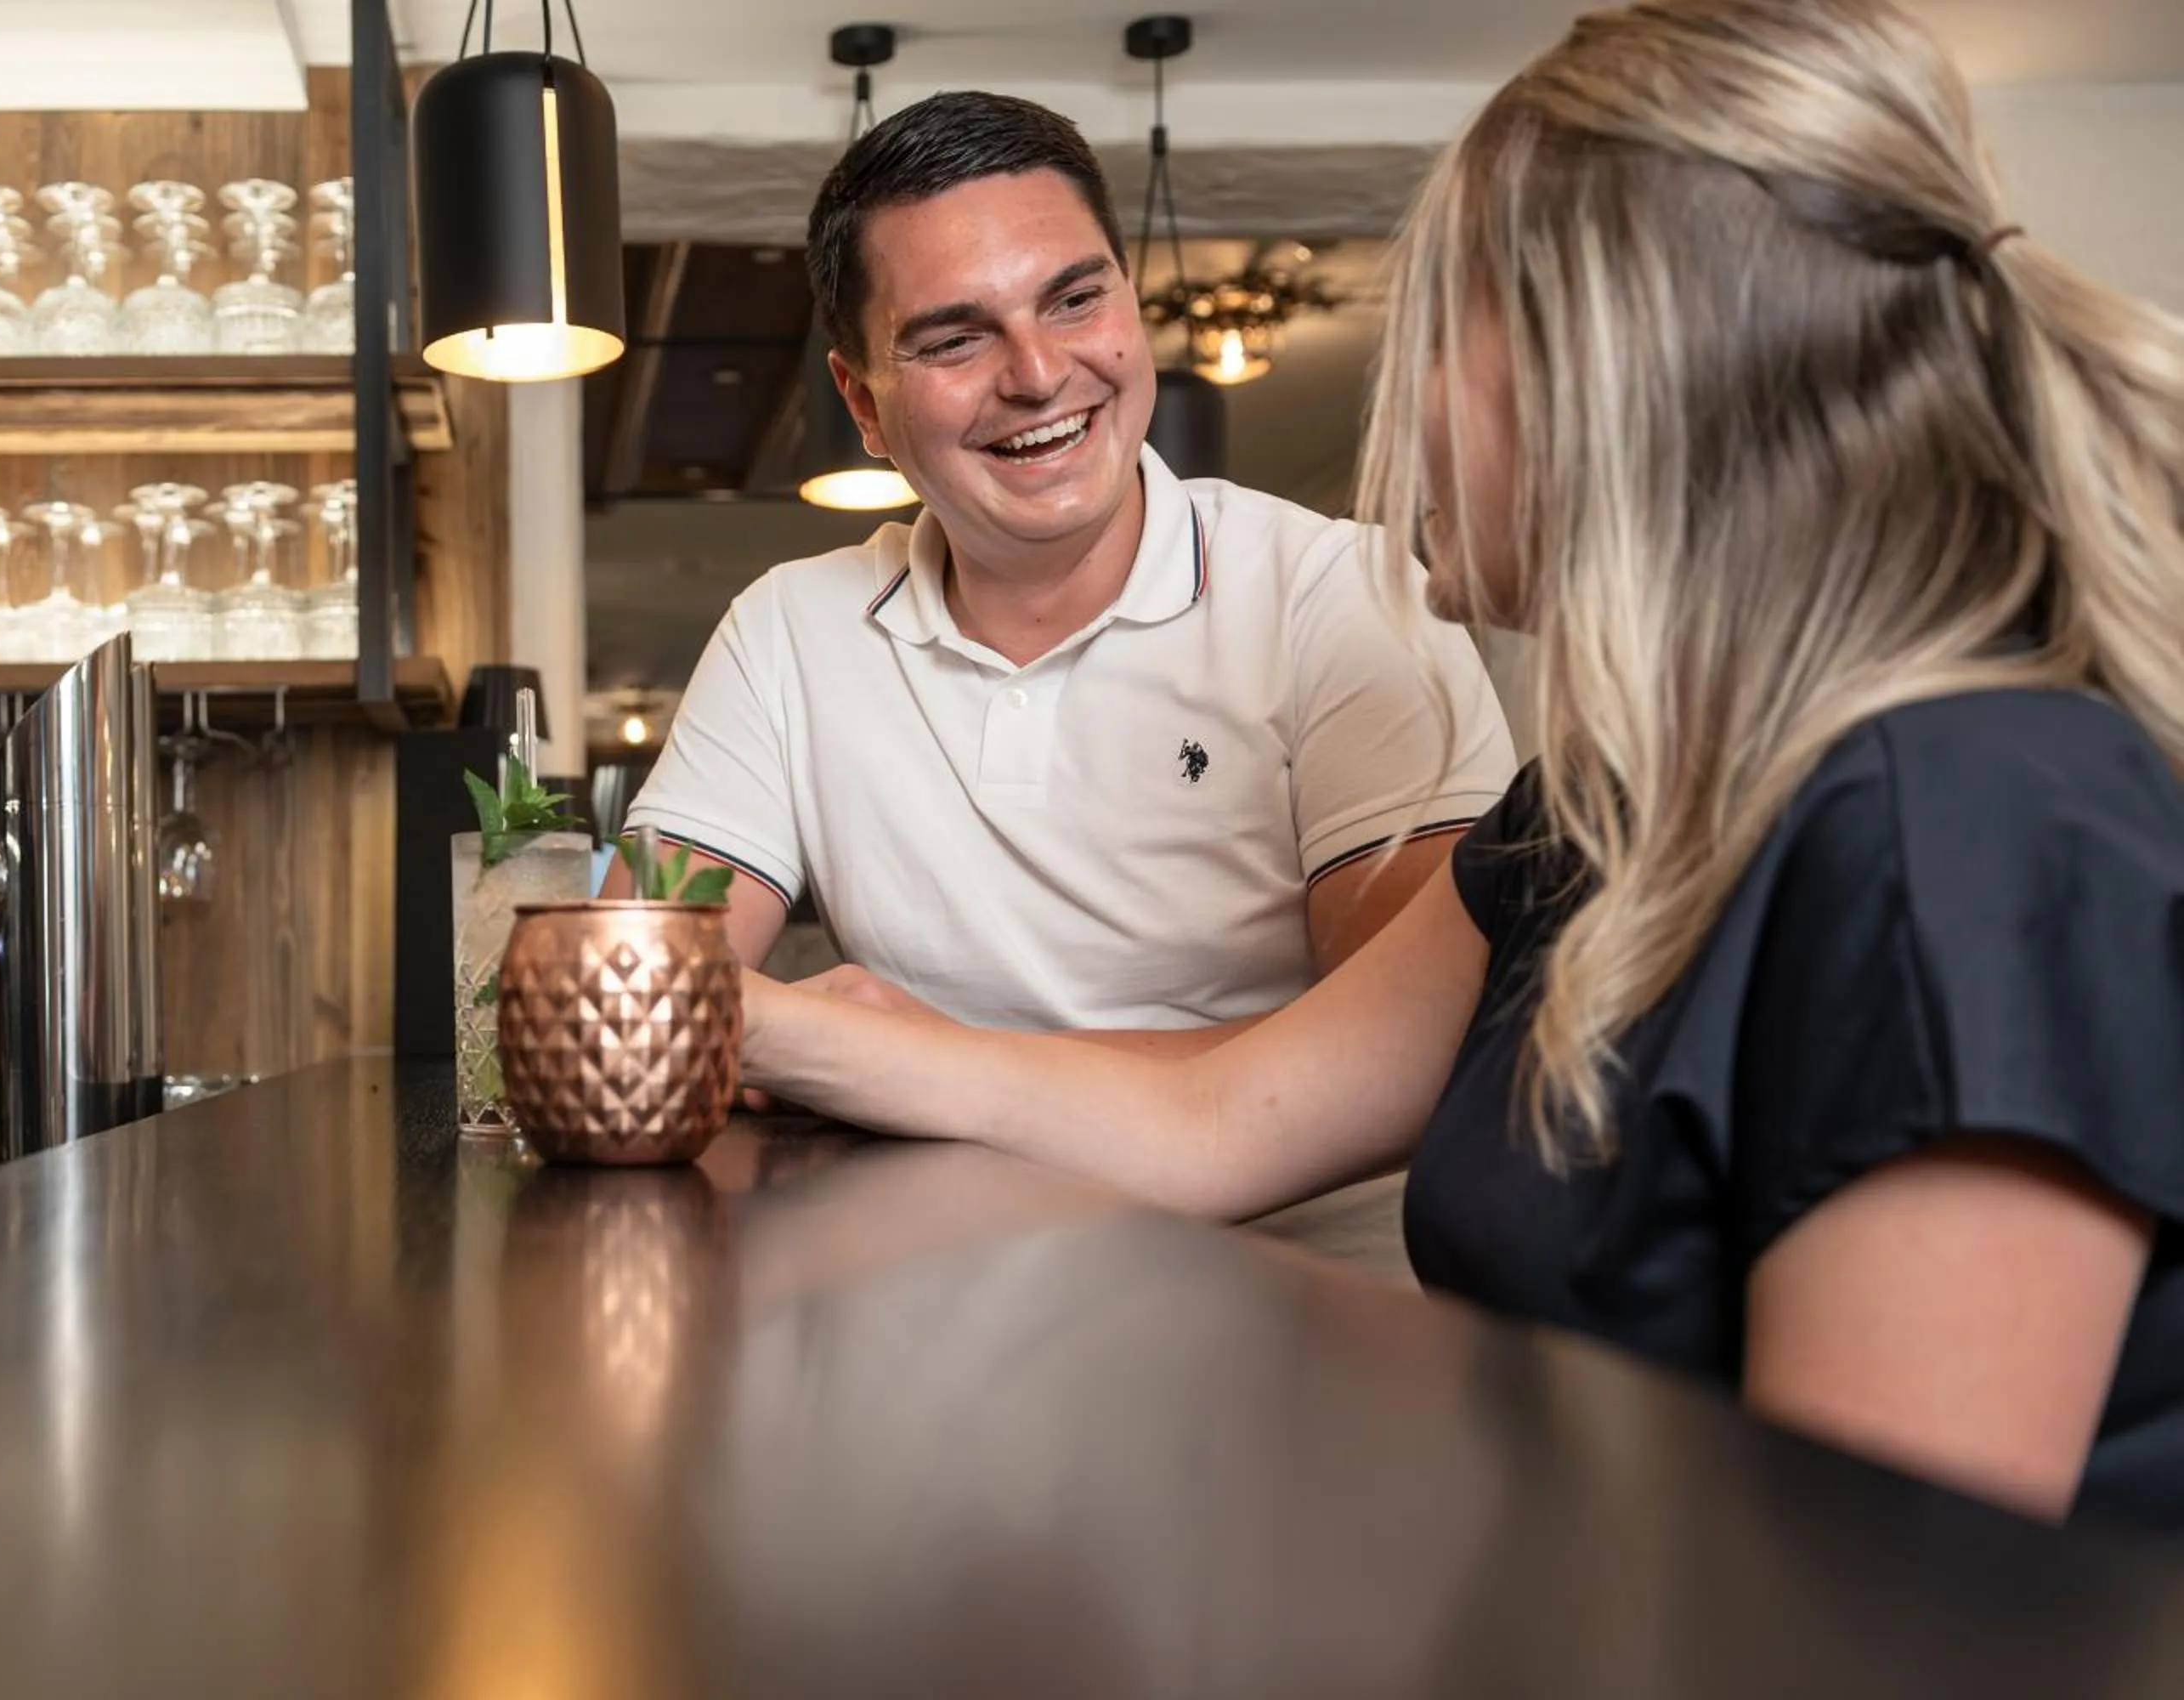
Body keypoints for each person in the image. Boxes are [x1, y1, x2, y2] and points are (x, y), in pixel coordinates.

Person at [740, 0, 2184, 1532]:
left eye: (1442, 337)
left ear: (1618, 376)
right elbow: (1213, 1124)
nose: (1401, 397)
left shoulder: (1959, 834)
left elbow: (1876, 1605)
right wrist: (762, 1024)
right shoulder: (1591, 814)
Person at [614, 92, 1514, 1053]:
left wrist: (908, 1063)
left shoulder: (1343, 595)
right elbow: (632, 1007)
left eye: (1075, 301)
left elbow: (1415, 1046)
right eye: (955, 339)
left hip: (1260, 1175)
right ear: (863, 404)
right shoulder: (786, 633)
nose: (1038, 375)